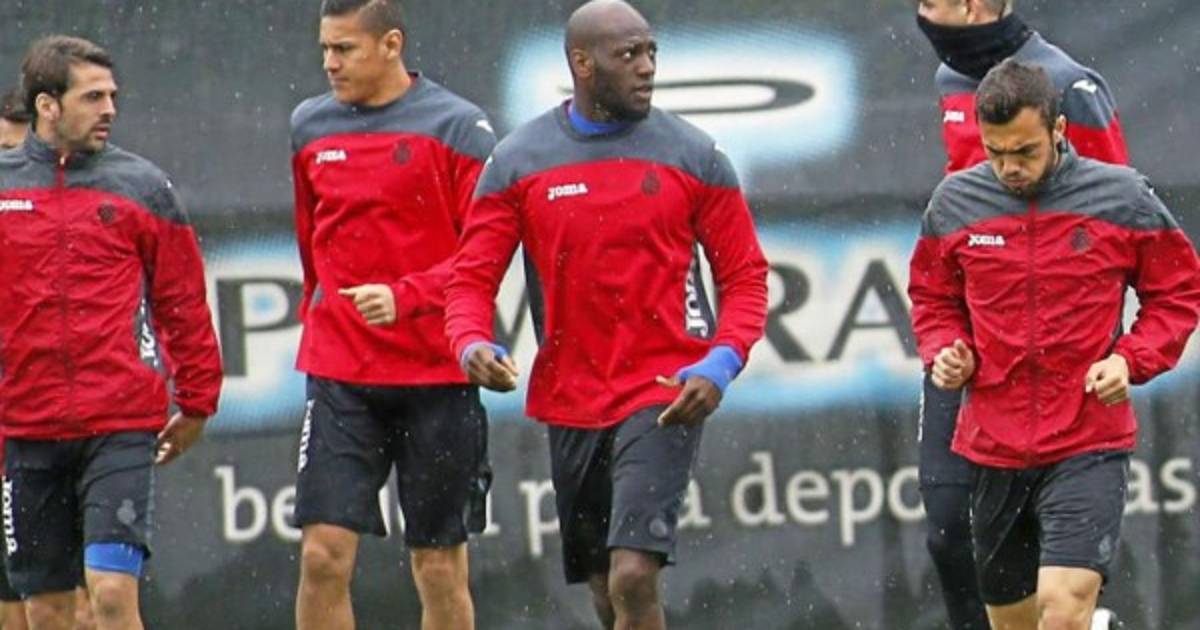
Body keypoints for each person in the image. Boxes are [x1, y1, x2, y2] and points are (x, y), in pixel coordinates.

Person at [445, 2, 769, 628]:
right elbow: (470, 279)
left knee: (633, 575)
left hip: (664, 391)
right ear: (582, 64)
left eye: (651, 52)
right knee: (603, 588)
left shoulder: (695, 155)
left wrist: (721, 362)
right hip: (571, 398)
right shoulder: (518, 161)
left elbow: (746, 277)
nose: (647, 68)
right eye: (629, 55)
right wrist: (470, 342)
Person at [908, 59, 1200, 630]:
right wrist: (947, 349)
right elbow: (933, 298)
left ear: (1059, 130)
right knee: (1015, 624)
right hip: (992, 445)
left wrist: (1129, 360)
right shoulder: (953, 204)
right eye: (996, 152)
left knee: (1062, 613)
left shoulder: (1121, 196)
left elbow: (1178, 292)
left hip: (1088, 439)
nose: (1010, 168)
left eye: (1025, 151)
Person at [914, 2, 1130, 627]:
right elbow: (956, 220)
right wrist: (948, 338)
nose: (922, 14)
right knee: (948, 532)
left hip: (1056, 363)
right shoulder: (949, 78)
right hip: (969, 351)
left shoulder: (1070, 85)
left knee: (1056, 566)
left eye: (933, 1)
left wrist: (1106, 346)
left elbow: (1116, 220)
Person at [0, 35, 222, 630]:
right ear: (47, 105)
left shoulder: (143, 185)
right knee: (45, 612)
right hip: (25, 428)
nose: (110, 110)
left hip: (118, 425)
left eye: (112, 96)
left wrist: (198, 399)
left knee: (113, 595)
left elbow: (182, 301)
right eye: (92, 97)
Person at [288, 1, 497, 629]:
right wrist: (324, 314)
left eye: (344, 49)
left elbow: (485, 256)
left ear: (391, 44)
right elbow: (312, 242)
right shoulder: (309, 125)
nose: (330, 63)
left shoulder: (459, 126)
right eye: (324, 49)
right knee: (322, 556)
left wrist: (406, 297)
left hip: (437, 376)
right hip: (341, 375)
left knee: (437, 566)